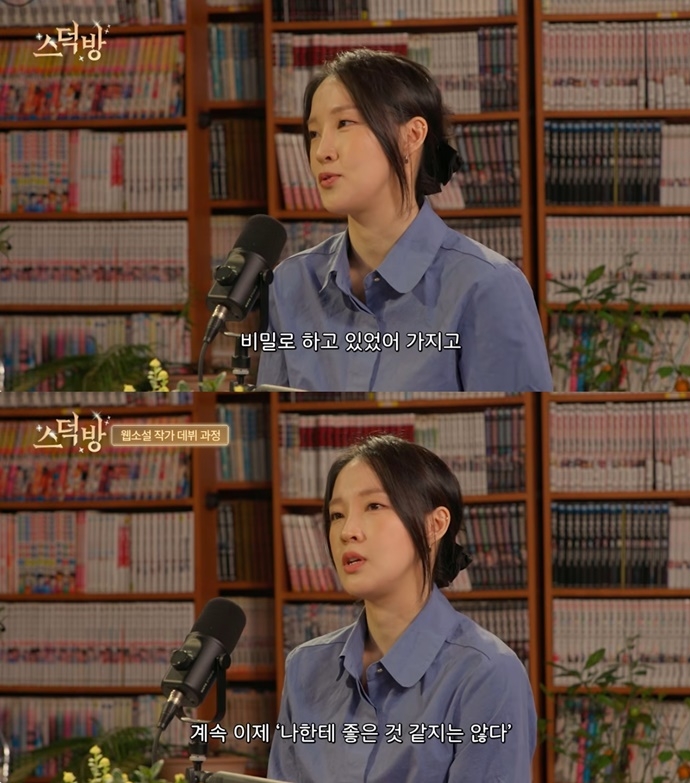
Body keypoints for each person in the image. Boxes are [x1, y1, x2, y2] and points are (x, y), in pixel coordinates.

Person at [257, 48, 552, 392]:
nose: (322, 151)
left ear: (412, 135)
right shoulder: (289, 283)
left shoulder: (487, 285)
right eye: (313, 133)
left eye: (344, 123)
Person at [267, 435, 537, 783]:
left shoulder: (485, 673)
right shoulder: (305, 666)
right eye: (336, 514)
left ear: (434, 525)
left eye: (373, 506)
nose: (347, 532)